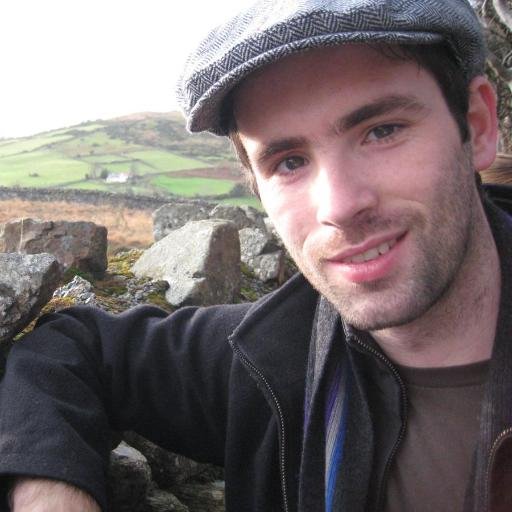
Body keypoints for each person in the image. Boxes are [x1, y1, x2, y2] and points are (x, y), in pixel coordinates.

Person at [1, 0, 511, 511]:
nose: (339, 207)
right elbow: (70, 351)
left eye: (382, 130)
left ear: (478, 126)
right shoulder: (274, 358)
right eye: (289, 162)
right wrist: (49, 491)